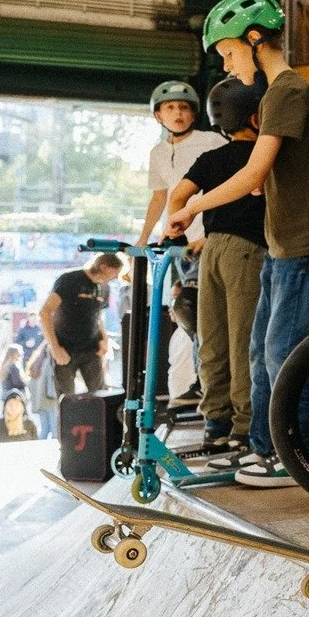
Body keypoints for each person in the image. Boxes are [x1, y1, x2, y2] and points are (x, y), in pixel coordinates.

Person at [168, 0, 309, 490]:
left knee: (283, 351)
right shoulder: (272, 94)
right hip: (280, 242)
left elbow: (252, 175)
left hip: (305, 240)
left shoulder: (287, 90)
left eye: (228, 53)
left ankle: (299, 451)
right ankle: (268, 447)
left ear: (253, 38)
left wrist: (192, 207)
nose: (227, 65)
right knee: (258, 349)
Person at [165, 76, 268, 456]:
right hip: (247, 253)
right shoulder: (262, 158)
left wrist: (175, 226)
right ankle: (243, 425)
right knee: (244, 340)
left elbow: (180, 194)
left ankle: (215, 423)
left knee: (211, 339)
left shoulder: (210, 159)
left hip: (211, 253)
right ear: (256, 119)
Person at [138, 80, 222, 399]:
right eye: (170, 107)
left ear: (194, 114)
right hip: (178, 241)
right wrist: (145, 237)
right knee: (183, 309)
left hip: (208, 235)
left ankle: (208, 384)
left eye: (184, 107)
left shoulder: (211, 141)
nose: (178, 113)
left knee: (195, 309)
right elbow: (160, 197)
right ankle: (201, 382)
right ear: (158, 115)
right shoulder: (158, 153)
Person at [40, 254, 121, 399]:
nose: (115, 277)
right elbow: (45, 312)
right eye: (114, 273)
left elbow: (98, 315)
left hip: (91, 350)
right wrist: (55, 348)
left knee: (100, 398)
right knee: (66, 401)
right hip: (65, 348)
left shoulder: (104, 288)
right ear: (103, 267)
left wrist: (104, 339)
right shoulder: (69, 280)